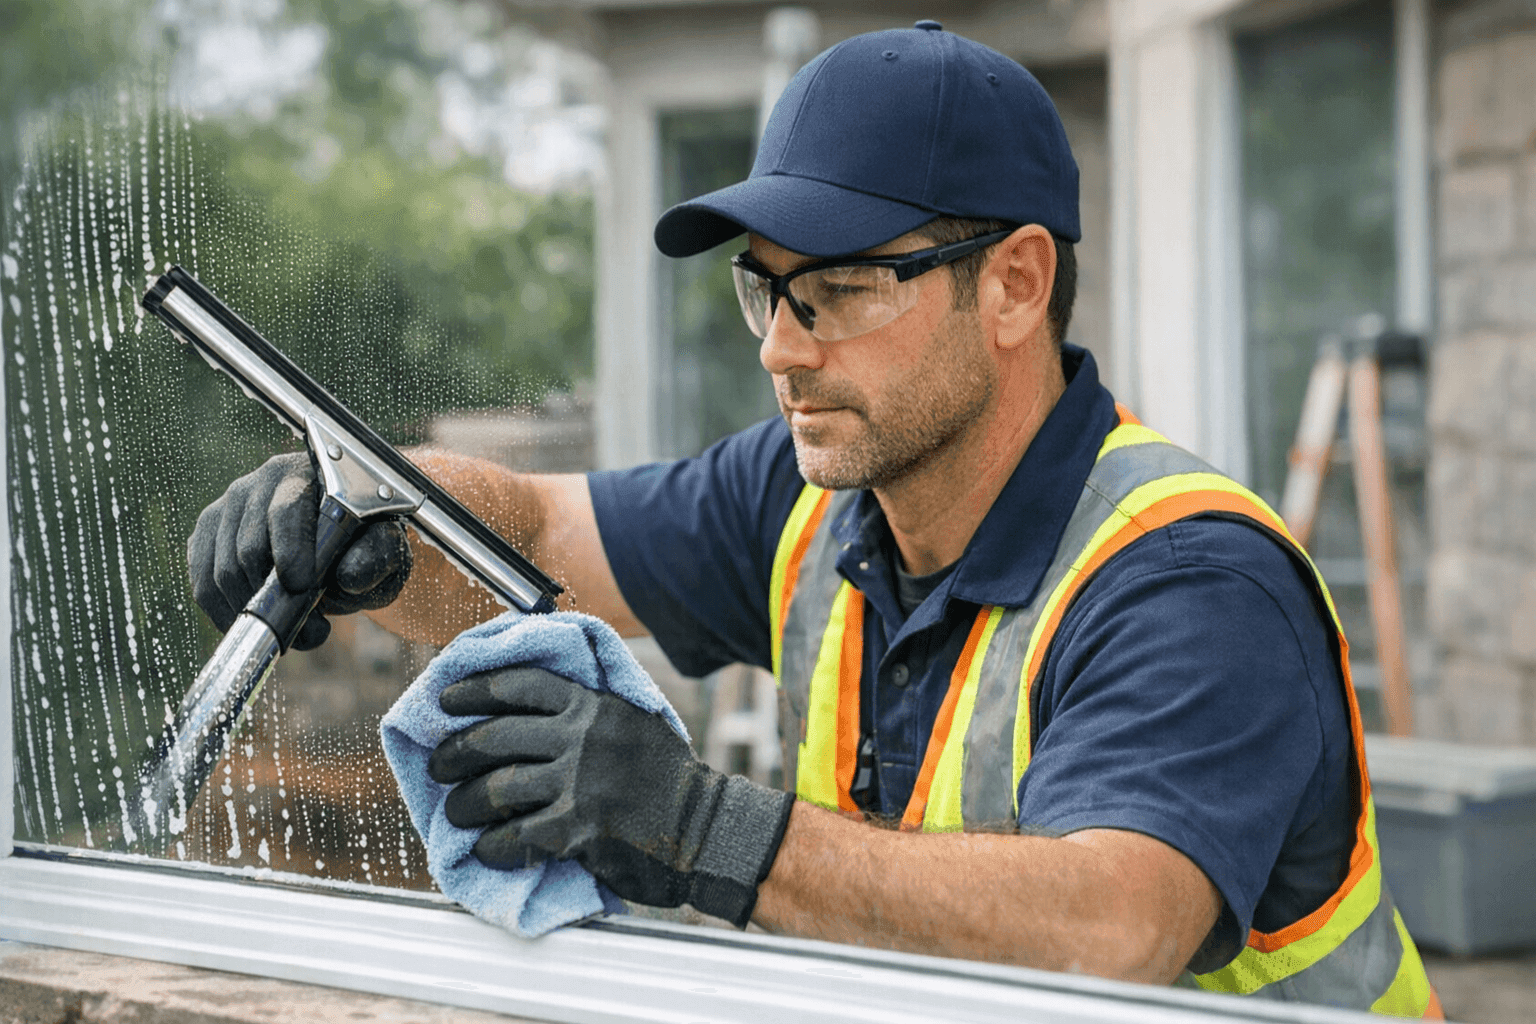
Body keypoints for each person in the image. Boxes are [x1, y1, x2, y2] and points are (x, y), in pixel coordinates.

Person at [187, 22, 1440, 1015]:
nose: (782, 351)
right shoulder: (814, 499)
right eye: (764, 292)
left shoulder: (1188, 580)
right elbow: (534, 535)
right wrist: (367, 514)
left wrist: (698, 826)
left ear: (1013, 285)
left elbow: (1107, 934)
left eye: (836, 289)